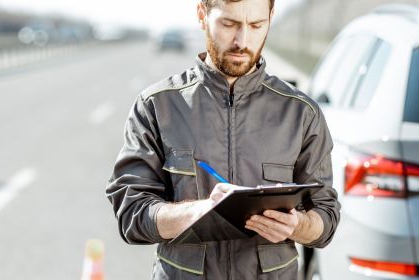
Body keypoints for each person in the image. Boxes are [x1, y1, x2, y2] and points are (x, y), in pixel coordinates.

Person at [106, 0, 341, 278]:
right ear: (202, 15)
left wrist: (298, 224)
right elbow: (131, 214)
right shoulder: (156, 106)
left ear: (270, 17)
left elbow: (326, 218)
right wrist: (202, 211)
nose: (242, 41)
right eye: (229, 24)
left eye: (256, 25)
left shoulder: (302, 113)